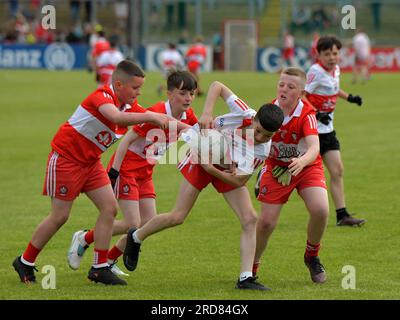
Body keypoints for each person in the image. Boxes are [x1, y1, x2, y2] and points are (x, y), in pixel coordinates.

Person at [12, 60, 171, 286]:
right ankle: (25, 261)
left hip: (90, 162)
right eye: (135, 88)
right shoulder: (102, 95)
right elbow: (116, 118)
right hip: (66, 159)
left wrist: (198, 129)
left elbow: (159, 120)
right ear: (118, 84)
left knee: (109, 208)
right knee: (60, 216)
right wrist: (151, 116)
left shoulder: (129, 108)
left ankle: (99, 268)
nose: (139, 92)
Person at [122, 81, 284, 291]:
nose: (261, 138)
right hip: (202, 151)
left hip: (223, 167)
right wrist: (207, 113)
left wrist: (213, 169)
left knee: (250, 218)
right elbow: (217, 86)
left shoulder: (263, 149)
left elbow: (239, 180)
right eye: (259, 130)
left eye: (268, 136)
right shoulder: (244, 112)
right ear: (253, 119)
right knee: (177, 216)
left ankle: (245, 279)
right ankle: (135, 237)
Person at [67, 70, 199, 276]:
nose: (188, 98)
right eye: (183, 93)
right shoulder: (155, 112)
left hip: (146, 172)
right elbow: (127, 140)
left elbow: (198, 133)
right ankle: (85, 238)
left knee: (148, 222)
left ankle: (109, 258)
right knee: (131, 223)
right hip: (127, 168)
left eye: (191, 93)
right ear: (169, 93)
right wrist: (114, 172)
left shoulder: (187, 116)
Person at [254, 67, 329, 284]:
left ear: (301, 92)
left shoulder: (306, 113)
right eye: (281, 84)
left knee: (321, 209)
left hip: (307, 166)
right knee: (266, 222)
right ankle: (251, 268)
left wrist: (302, 161)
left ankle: (312, 256)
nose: (283, 89)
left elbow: (314, 147)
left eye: (290, 86)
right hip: (276, 167)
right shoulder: (267, 111)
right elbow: (254, 139)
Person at [304, 35, 366, 227]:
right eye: (327, 54)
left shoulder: (336, 70)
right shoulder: (315, 71)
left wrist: (350, 98)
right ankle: (265, 179)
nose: (332, 57)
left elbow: (334, 89)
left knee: (337, 170)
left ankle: (342, 215)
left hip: (328, 131)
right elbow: (302, 94)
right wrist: (315, 113)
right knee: (292, 169)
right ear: (318, 55)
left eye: (335, 53)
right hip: (309, 131)